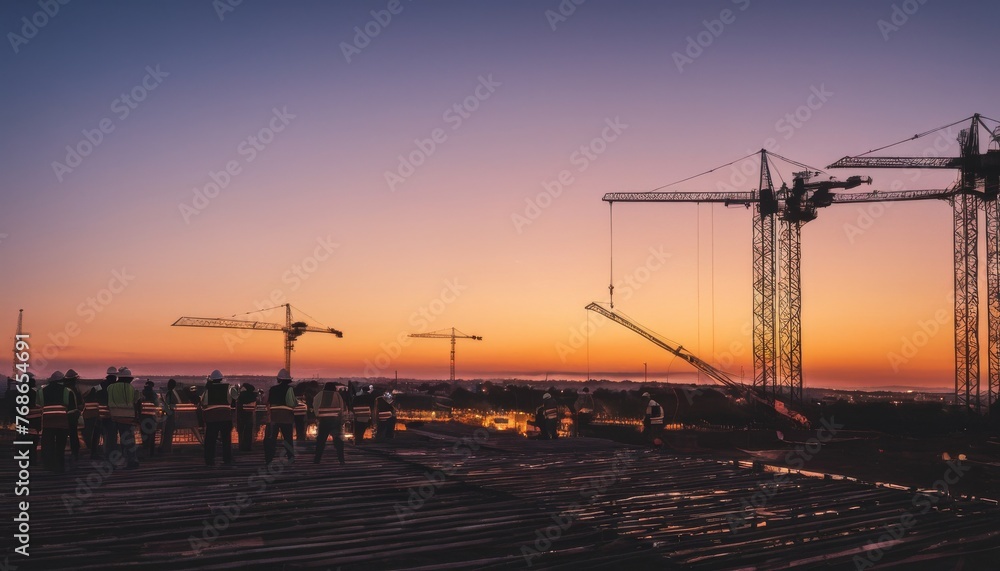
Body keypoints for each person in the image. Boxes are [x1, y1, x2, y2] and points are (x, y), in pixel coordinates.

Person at [37, 371, 73, 472]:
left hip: (48, 422)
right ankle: (60, 466)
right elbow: (70, 407)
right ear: (62, 380)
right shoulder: (67, 391)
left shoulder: (41, 391)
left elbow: (39, 405)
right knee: (60, 446)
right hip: (62, 422)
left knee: (48, 445)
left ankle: (49, 466)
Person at [201, 370, 236, 467]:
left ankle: (210, 460)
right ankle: (227, 460)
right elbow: (234, 397)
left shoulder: (208, 389)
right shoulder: (228, 387)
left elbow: (203, 402)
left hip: (212, 419)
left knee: (210, 441)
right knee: (226, 440)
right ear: (221, 378)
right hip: (225, 417)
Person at [107, 367, 140, 469]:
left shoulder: (110, 388)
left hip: (112, 417)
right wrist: (138, 416)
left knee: (111, 442)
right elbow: (137, 402)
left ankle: (111, 463)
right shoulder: (131, 389)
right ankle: (132, 461)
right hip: (127, 418)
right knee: (128, 441)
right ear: (127, 378)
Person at [264, 368, 297, 465]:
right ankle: (291, 458)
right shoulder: (290, 389)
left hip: (274, 417)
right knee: (288, 439)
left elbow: (265, 401)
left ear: (278, 379)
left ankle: (269, 459)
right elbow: (292, 403)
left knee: (272, 439)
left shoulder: (272, 389)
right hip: (287, 418)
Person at [313, 382, 347, 464]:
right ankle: (341, 460)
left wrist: (317, 416)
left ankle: (317, 460)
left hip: (323, 421)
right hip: (335, 421)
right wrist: (342, 420)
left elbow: (315, 406)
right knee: (338, 441)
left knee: (321, 441)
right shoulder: (337, 395)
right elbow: (342, 408)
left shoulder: (319, 395)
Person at [63, 369, 83, 461]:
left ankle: (60, 453)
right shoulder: (74, 389)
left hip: (62, 415)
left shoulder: (63, 389)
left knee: (62, 435)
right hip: (72, 415)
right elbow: (80, 404)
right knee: (73, 434)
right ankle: (75, 453)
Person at [81, 377, 103, 460]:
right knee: (95, 434)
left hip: (88, 415)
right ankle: (93, 451)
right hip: (95, 416)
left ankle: (91, 450)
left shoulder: (85, 394)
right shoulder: (97, 394)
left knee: (88, 433)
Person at [139, 380, 160, 458]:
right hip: (151, 417)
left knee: (144, 435)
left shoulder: (142, 394)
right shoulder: (153, 394)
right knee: (151, 435)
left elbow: (138, 404)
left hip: (143, 417)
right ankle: (151, 452)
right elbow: (157, 404)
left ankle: (145, 449)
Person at [159, 379, 182, 454]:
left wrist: (165, 412)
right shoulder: (174, 392)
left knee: (167, 433)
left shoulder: (170, 393)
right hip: (175, 414)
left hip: (171, 415)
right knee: (169, 433)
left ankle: (166, 449)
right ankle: (168, 449)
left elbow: (167, 405)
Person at [25, 373, 42, 466]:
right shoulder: (34, 393)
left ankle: (27, 459)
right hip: (34, 419)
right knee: (34, 441)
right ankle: (33, 460)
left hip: (26, 420)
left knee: (26, 441)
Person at [236, 383, 258, 452]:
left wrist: (241, 387)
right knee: (248, 432)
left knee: (241, 431)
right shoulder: (253, 395)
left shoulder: (241, 394)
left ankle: (241, 446)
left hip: (241, 414)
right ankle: (248, 447)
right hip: (249, 414)